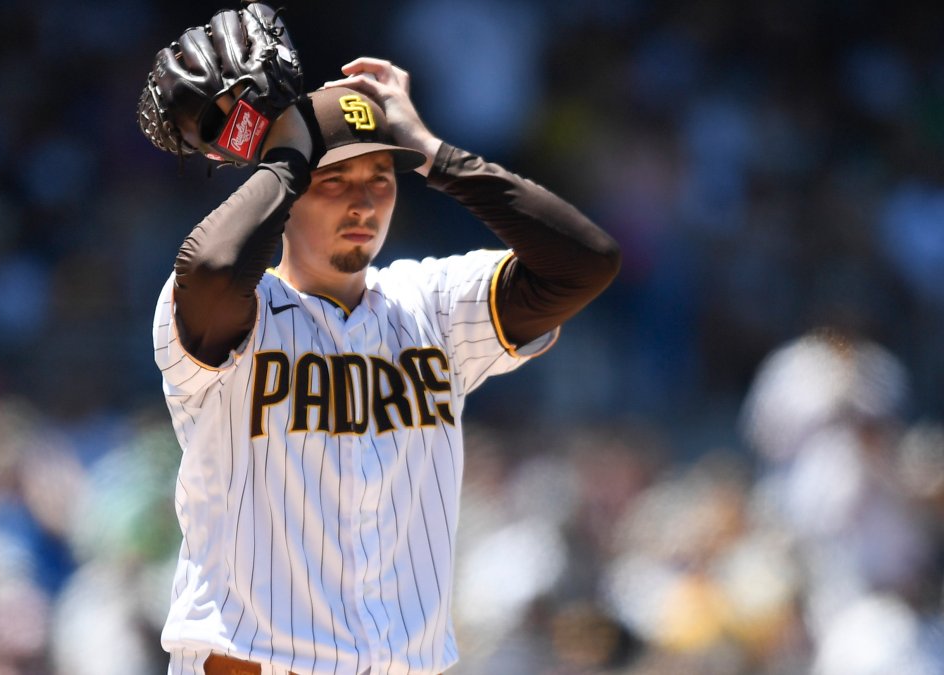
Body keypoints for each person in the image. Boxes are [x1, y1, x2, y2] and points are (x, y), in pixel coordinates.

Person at [152, 57, 621, 675]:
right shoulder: (236, 312)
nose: (364, 202)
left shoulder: (433, 304)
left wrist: (431, 151)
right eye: (335, 181)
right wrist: (286, 158)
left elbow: (585, 263)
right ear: (288, 194)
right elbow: (211, 268)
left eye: (381, 177)